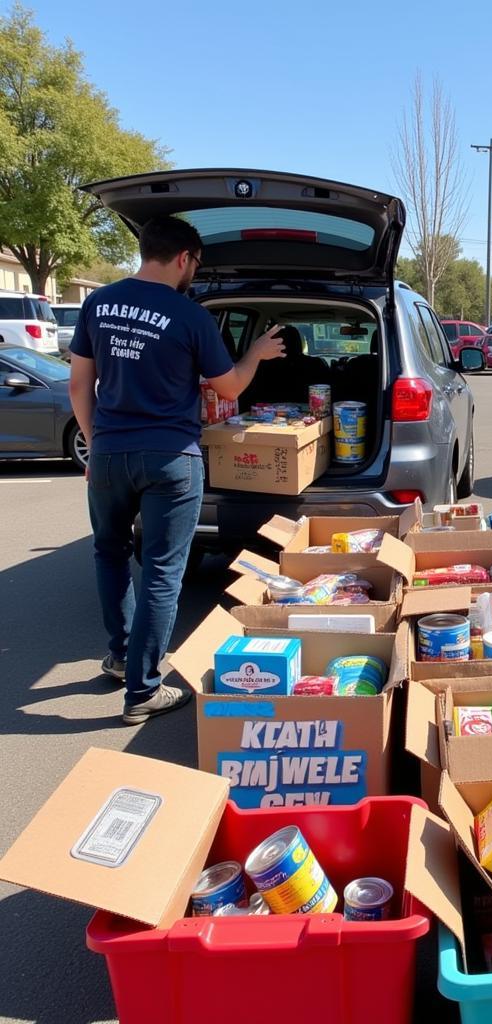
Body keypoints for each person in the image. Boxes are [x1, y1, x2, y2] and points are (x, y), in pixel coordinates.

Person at [69, 215, 285, 725]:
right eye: (196, 264)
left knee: (110, 552)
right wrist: (255, 352)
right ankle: (143, 691)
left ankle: (123, 659)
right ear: (185, 258)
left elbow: (80, 385)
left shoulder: (97, 304)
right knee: (164, 571)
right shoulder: (189, 317)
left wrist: (97, 443)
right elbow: (229, 388)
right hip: (171, 458)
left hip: (109, 452)